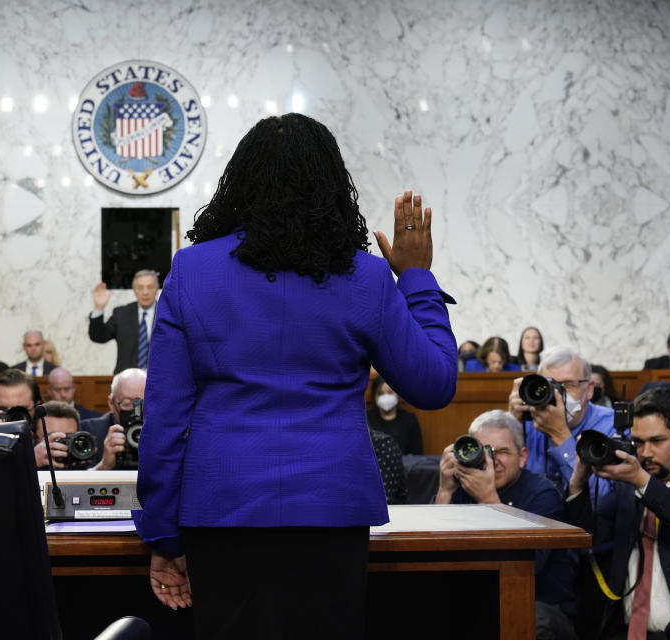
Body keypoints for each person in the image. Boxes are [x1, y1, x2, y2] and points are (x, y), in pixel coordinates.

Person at [132, 113, 457, 638]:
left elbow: (166, 419)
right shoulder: (368, 275)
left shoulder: (191, 269)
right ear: (331, 184)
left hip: (222, 509)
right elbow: (434, 383)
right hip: (330, 511)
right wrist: (415, 277)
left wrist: (165, 538)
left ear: (240, 182)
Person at [564, 388, 670, 639]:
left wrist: (643, 482)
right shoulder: (628, 482)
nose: (645, 454)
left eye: (657, 441)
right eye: (638, 443)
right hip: (624, 631)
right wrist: (577, 485)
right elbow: (588, 544)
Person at [434, 410, 577, 639]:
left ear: (522, 456)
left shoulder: (542, 495)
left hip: (538, 603)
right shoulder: (461, 488)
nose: (492, 461)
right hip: (476, 599)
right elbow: (432, 552)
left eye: (502, 452)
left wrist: (488, 499)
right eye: (483, 451)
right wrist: (444, 491)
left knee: (525, 617)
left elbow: (530, 564)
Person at [508, 345, 616, 497]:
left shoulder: (611, 424)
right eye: (550, 385)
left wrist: (561, 436)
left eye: (569, 385)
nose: (558, 394)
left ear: (590, 389)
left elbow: (601, 498)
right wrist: (512, 426)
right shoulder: (529, 420)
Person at [88, 270, 159, 374]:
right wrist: (98, 308)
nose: (145, 292)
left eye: (150, 287)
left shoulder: (168, 313)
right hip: (126, 379)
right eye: (140, 288)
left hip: (158, 379)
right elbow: (98, 336)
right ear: (134, 291)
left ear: (156, 290)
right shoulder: (121, 313)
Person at [79, 368, 147, 471]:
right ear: (111, 403)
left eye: (144, 404)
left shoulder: (164, 431)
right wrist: (103, 466)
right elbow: (76, 482)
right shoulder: (90, 431)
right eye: (127, 403)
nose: (136, 411)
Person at [366, 375, 423, 455]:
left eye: (390, 392)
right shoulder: (366, 419)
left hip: (406, 466)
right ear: (374, 396)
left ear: (397, 394)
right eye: (381, 393)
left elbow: (417, 455)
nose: (386, 397)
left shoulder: (409, 419)